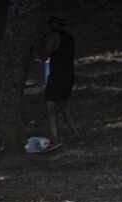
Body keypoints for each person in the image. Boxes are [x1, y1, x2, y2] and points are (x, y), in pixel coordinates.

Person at [42, 11, 79, 147]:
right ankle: (76, 133)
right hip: (69, 76)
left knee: (50, 107)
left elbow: (45, 56)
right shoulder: (70, 38)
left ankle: (55, 138)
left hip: (57, 76)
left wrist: (39, 46)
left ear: (54, 24)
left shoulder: (53, 36)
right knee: (64, 107)